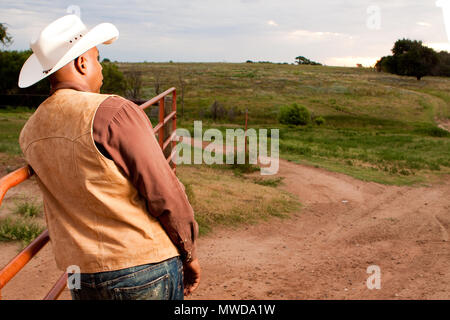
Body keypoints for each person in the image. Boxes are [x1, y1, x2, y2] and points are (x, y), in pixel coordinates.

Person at [17, 14, 200, 300]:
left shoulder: (30, 131)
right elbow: (164, 192)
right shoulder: (112, 111)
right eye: (98, 57)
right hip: (141, 266)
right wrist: (188, 252)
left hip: (81, 274)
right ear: (82, 63)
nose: (100, 67)